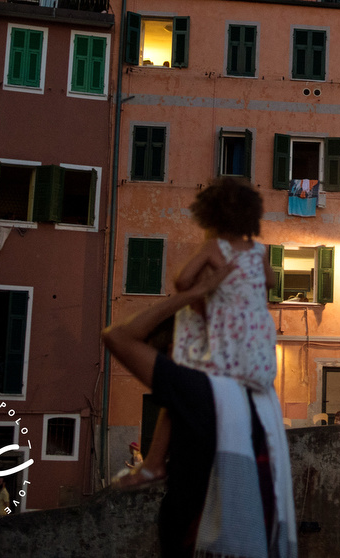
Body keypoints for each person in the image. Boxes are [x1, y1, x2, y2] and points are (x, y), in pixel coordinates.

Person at [102, 207, 297, 558]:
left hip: (196, 539)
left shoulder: (199, 390)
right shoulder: (260, 395)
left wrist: (192, 294)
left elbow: (119, 337)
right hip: (258, 537)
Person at [117, 177, 280, 488]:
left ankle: (153, 463)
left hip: (224, 342)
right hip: (257, 345)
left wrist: (213, 286)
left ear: (212, 217)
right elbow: (270, 282)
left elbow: (182, 281)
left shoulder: (213, 248)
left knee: (177, 391)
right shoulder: (259, 251)